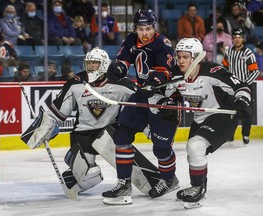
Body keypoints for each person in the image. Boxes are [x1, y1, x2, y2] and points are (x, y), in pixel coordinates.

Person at [21, 47, 138, 199]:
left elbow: (140, 103)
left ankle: (135, 181)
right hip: (82, 133)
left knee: (127, 162)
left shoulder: (120, 82)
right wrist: (45, 127)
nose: (91, 67)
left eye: (95, 63)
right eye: (89, 63)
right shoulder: (76, 83)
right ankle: (76, 177)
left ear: (103, 65)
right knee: (88, 175)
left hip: (110, 132)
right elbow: (58, 111)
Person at [160, 37, 252, 209]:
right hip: (200, 117)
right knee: (192, 152)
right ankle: (199, 186)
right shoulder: (176, 74)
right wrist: (166, 101)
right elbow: (166, 93)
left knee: (196, 146)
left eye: (185, 57)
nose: (180, 60)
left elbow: (242, 87)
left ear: (196, 58)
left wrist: (242, 102)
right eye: (178, 56)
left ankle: (197, 188)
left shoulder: (213, 71)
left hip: (222, 116)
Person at [102, 9, 180, 204]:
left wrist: (154, 80)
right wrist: (118, 68)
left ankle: (168, 179)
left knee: (161, 149)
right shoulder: (131, 39)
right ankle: (124, 183)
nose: (144, 33)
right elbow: (123, 59)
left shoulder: (163, 44)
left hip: (163, 99)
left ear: (154, 28)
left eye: (148, 29)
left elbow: (166, 71)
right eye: (140, 29)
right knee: (122, 136)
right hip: (142, 95)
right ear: (135, 28)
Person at [222, 28, 259, 144]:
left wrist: (245, 84)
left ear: (243, 38)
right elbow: (224, 69)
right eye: (235, 37)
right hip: (232, 88)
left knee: (246, 111)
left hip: (245, 87)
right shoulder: (228, 52)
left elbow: (255, 72)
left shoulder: (248, 53)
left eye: (239, 37)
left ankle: (246, 134)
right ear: (232, 39)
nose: (237, 40)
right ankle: (230, 135)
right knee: (230, 112)